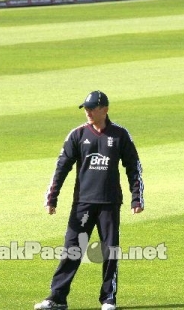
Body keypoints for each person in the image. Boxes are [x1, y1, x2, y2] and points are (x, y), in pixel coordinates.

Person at [34, 91, 145, 310]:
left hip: (109, 203)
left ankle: (108, 299)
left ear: (105, 109)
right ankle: (57, 298)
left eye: (92, 108)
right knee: (72, 250)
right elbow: (61, 167)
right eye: (86, 108)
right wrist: (52, 197)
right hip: (82, 203)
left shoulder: (120, 134)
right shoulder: (77, 134)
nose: (88, 112)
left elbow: (133, 166)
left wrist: (136, 198)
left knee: (110, 251)